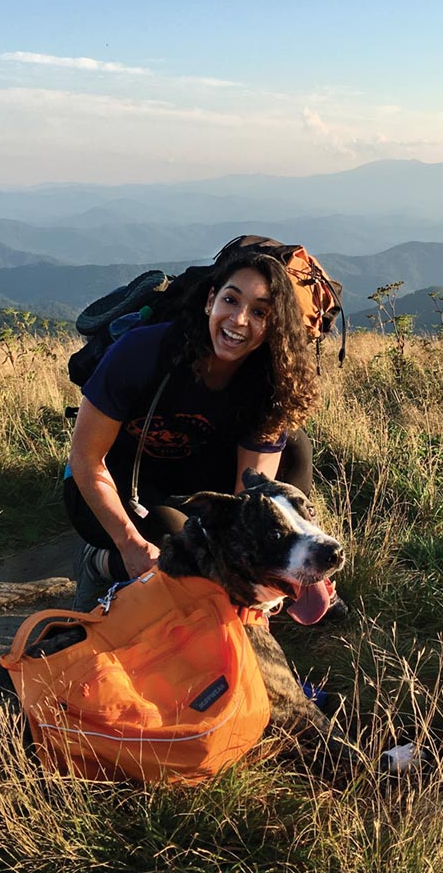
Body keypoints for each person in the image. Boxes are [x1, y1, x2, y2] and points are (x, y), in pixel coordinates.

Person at [65, 246, 321, 610]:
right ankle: (96, 562)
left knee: (294, 446)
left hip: (193, 474)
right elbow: (85, 458)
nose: (239, 320)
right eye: (231, 300)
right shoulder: (143, 352)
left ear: (274, 326)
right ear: (210, 301)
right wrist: (127, 542)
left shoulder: (268, 383)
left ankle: (289, 573)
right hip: (115, 479)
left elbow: (252, 503)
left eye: (260, 312)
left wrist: (256, 573)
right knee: (172, 537)